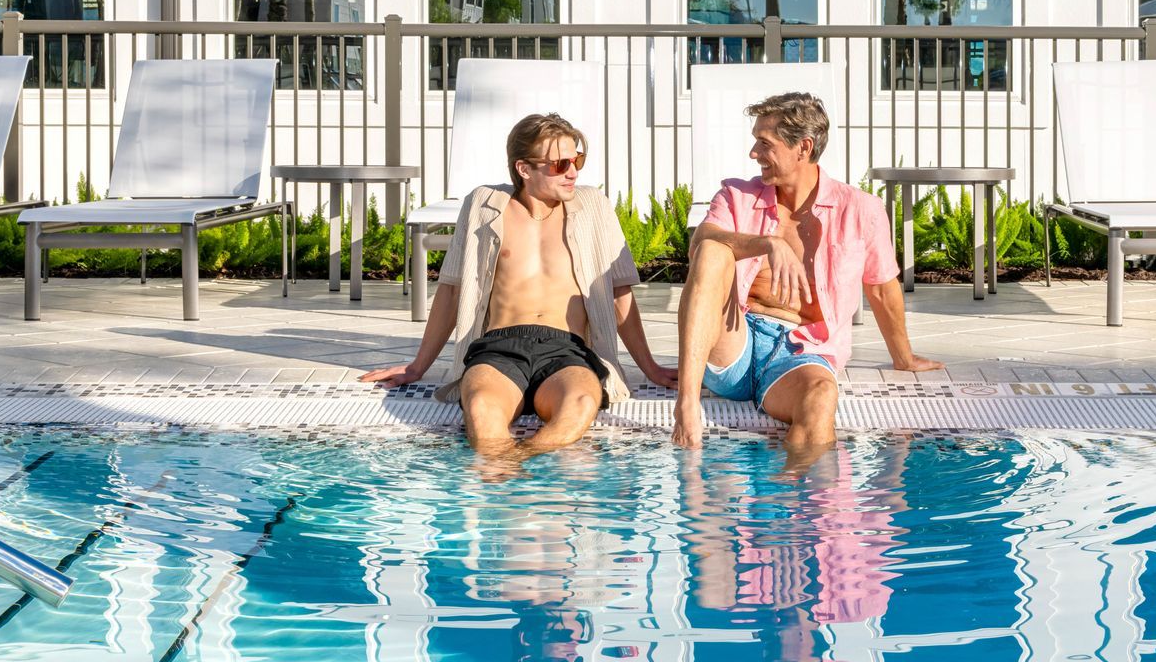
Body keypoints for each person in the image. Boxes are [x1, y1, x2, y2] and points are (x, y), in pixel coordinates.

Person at [362, 113, 671, 456]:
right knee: (481, 409)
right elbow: (452, 289)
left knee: (582, 403)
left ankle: (513, 466)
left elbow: (618, 292)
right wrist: (418, 366)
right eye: (560, 164)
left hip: (568, 350)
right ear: (524, 169)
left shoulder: (593, 206)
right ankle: (508, 473)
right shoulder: (484, 205)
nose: (574, 172)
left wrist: (650, 367)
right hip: (499, 348)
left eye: (577, 159)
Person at [671, 92, 941, 459]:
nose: (753, 153)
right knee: (713, 250)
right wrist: (766, 243)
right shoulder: (737, 194)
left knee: (821, 398)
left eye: (764, 144)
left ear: (803, 147)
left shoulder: (861, 209)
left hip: (801, 352)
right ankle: (687, 405)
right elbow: (699, 244)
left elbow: (881, 288)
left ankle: (790, 502)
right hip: (734, 340)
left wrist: (904, 358)